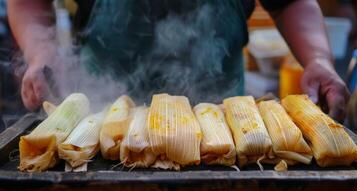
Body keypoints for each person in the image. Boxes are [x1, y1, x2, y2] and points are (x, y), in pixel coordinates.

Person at [8, 0, 350, 121]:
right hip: (102, 117)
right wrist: (41, 52)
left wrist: (318, 59)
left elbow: (290, 2)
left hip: (227, 129)